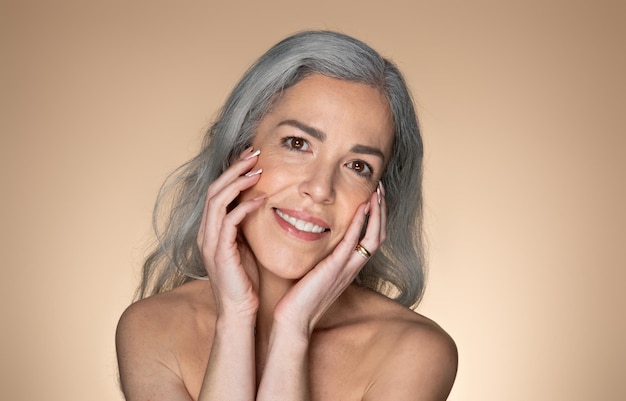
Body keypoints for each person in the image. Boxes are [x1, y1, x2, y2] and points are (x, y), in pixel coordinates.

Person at [116, 30, 458, 400]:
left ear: (379, 200)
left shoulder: (414, 352)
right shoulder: (152, 328)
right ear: (239, 152)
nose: (321, 188)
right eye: (298, 144)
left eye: (358, 166)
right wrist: (234, 318)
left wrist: (293, 330)